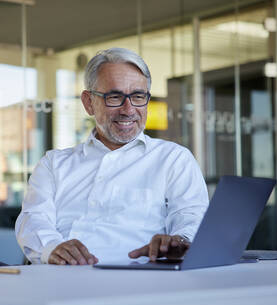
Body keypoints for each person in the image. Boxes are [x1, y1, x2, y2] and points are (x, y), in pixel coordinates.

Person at [15, 47, 209, 265]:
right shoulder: (54, 164)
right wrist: (52, 248)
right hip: (61, 282)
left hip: (140, 286)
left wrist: (179, 241)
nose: (128, 109)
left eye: (137, 96)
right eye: (115, 97)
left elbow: (192, 217)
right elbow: (33, 219)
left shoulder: (174, 159)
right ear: (89, 103)